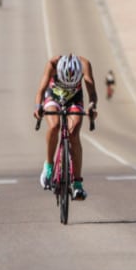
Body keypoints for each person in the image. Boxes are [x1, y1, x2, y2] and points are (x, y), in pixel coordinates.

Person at [33, 54, 98, 200]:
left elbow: (92, 93)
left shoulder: (85, 64)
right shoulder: (52, 64)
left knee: (74, 133)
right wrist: (38, 107)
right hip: (53, 95)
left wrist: (92, 107)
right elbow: (41, 90)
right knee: (55, 125)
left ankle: (77, 183)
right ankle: (49, 166)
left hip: (75, 97)